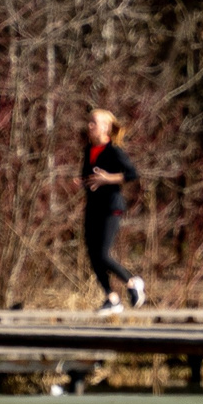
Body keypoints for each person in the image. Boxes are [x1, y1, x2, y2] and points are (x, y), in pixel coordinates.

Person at [82, 109, 145, 312]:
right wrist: (83, 182)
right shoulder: (88, 150)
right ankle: (112, 298)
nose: (89, 126)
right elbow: (88, 177)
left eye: (94, 122)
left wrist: (107, 178)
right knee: (93, 255)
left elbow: (132, 174)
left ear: (106, 128)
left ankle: (133, 282)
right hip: (93, 207)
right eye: (89, 122)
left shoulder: (114, 150)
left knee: (102, 254)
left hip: (111, 207)